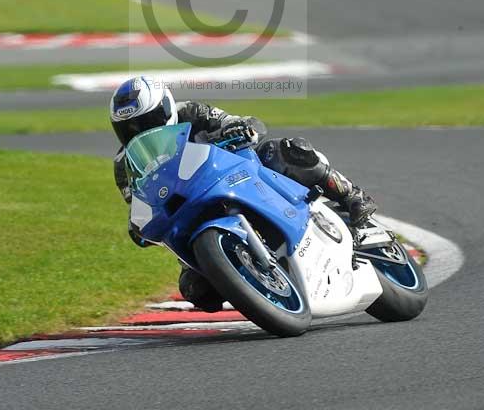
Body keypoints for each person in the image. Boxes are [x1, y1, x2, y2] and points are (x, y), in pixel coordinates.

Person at [111, 75, 376, 312]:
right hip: (188, 213)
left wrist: (238, 128)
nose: (139, 131)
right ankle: (255, 280)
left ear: (165, 108)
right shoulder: (125, 164)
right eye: (129, 128)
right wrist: (138, 227)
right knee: (198, 292)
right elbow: (137, 201)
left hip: (236, 175)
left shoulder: (191, 112)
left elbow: (236, 122)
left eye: (145, 121)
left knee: (282, 151)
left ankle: (351, 195)